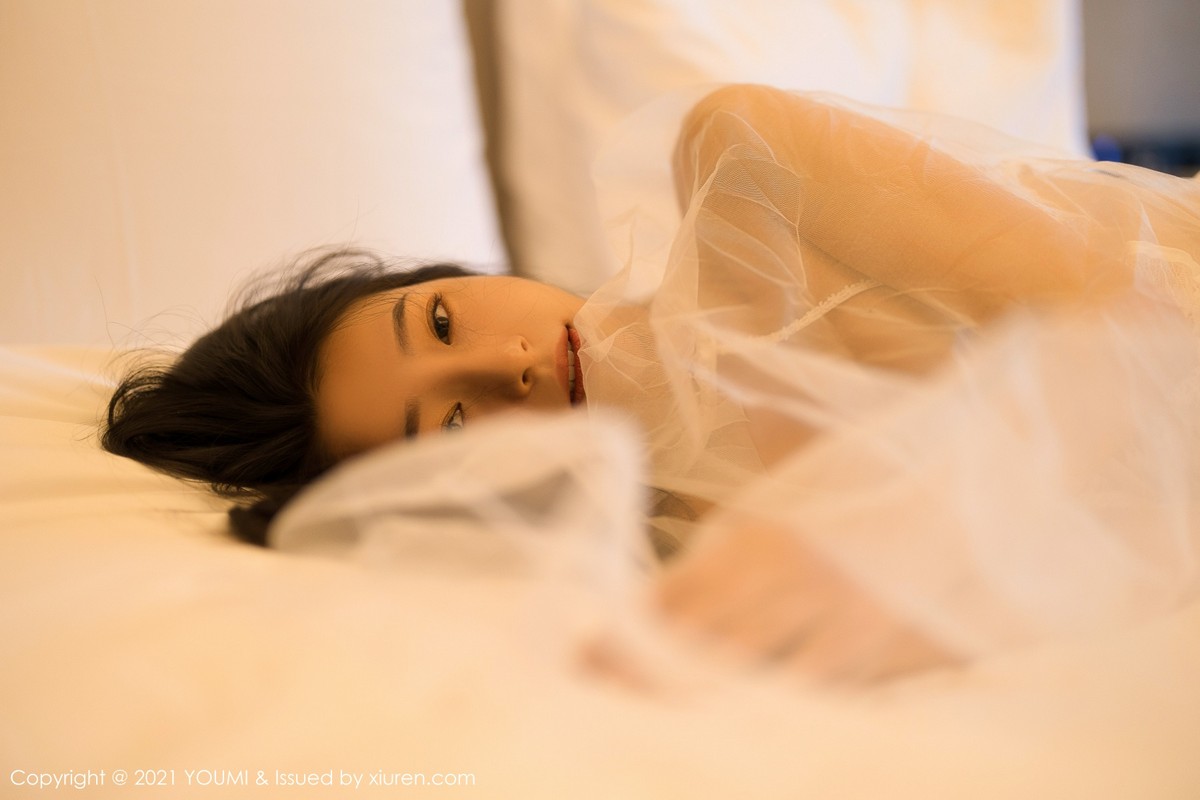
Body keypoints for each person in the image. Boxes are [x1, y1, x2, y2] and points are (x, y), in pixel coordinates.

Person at [103, 85, 1200, 681]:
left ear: (457, 274)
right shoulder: (686, 552)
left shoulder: (746, 170)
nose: (507, 364)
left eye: (441, 318)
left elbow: (1138, 314)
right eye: (450, 422)